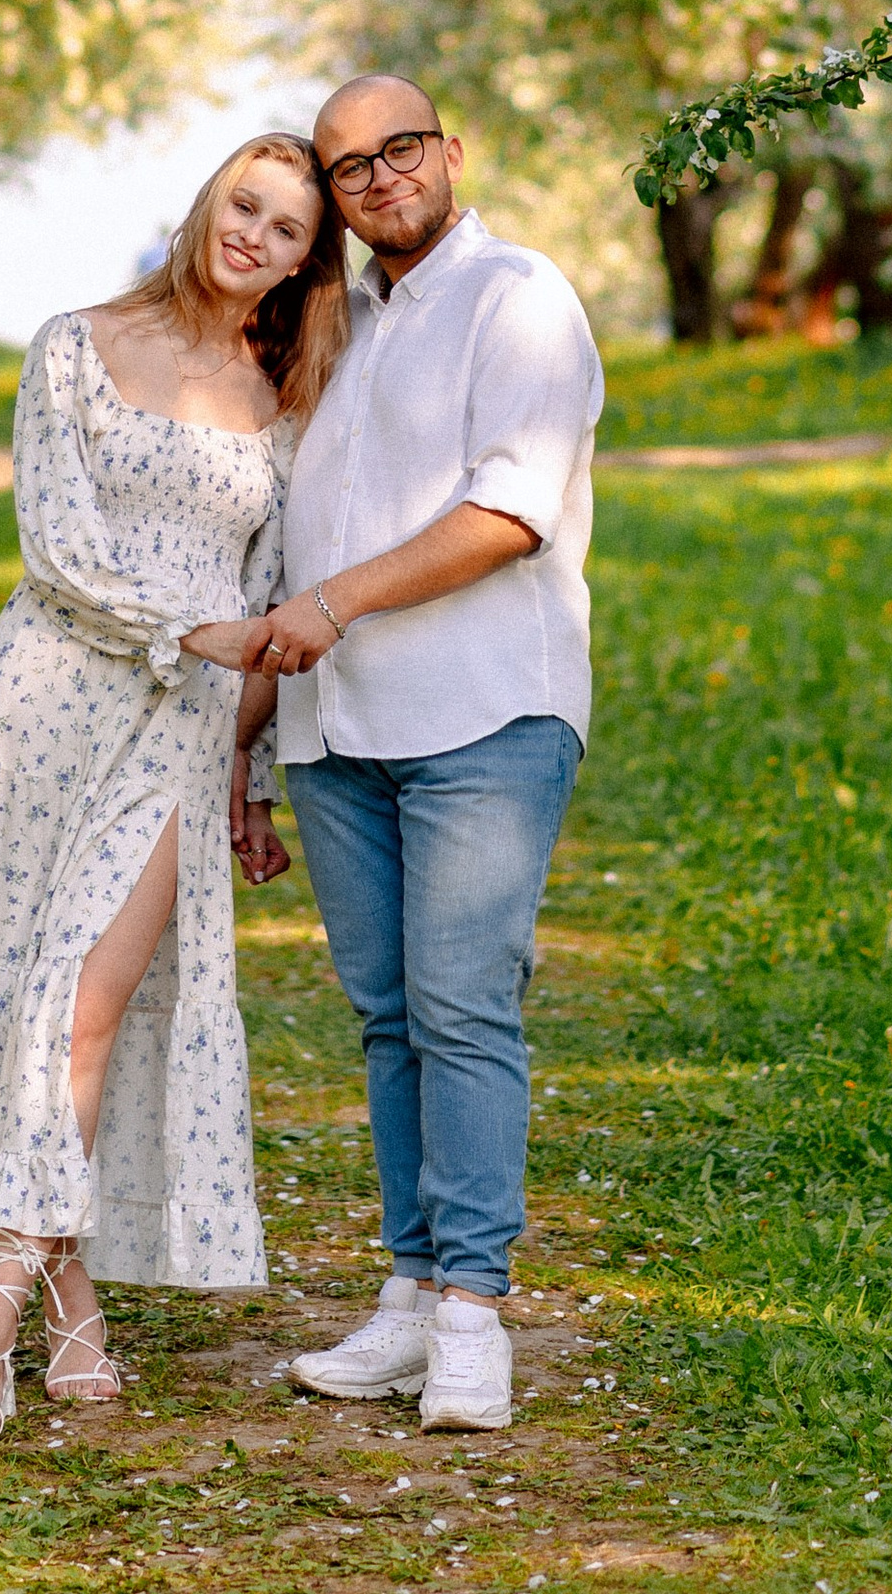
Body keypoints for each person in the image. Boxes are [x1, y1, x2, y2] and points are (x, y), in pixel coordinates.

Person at [0, 133, 348, 1443]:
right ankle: (71, 1299)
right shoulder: (73, 347)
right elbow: (59, 548)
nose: (254, 235)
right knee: (19, 984)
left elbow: (266, 602)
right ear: (209, 201)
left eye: (287, 230)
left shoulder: (280, 402)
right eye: (245, 205)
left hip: (178, 734)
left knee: (82, 1009)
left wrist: (248, 778)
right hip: (44, 702)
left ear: (303, 264)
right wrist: (190, 630)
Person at [248, 72, 603, 1436]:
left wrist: (333, 606)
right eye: (350, 166)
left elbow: (510, 512)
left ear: (451, 151)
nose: (382, 175)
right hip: (337, 728)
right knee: (390, 1017)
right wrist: (255, 757)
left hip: (482, 711)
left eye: (401, 147)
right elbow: (279, 535)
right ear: (335, 198)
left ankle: (471, 1317)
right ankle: (408, 1294)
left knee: (461, 1008)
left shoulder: (520, 297)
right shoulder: (336, 329)